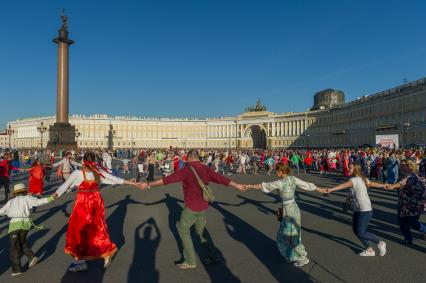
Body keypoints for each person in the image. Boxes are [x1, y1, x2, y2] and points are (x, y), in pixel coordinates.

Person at [138, 149, 246, 269]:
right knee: (200, 232)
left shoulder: (186, 170)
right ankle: (214, 255)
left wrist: (148, 184)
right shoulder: (205, 168)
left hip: (192, 207)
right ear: (198, 157)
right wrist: (237, 185)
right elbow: (221, 179)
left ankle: (190, 260)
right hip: (204, 206)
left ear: (189, 158)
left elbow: (166, 181)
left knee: (183, 230)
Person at [53, 151, 140, 272]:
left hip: (82, 205)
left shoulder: (78, 173)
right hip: (95, 204)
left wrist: (55, 195)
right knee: (98, 229)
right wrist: (130, 182)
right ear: (94, 161)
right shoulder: (98, 173)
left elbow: (65, 185)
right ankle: (104, 253)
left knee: (79, 231)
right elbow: (113, 179)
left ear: (83, 160)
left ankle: (79, 261)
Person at [245, 163, 326, 267]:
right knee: (291, 233)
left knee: (290, 234)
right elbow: (308, 185)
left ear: (282, 171)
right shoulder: (293, 179)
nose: (276, 173)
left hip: (289, 210)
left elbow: (263, 186)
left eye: (277, 171)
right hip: (294, 208)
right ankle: (294, 254)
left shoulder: (280, 183)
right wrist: (320, 189)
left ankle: (301, 257)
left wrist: (249, 186)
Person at [325, 163, 387, 256]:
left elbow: (344, 185)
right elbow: (371, 184)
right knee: (356, 230)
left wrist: (331, 189)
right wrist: (347, 201)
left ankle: (380, 243)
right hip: (357, 209)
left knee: (361, 232)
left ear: (355, 169)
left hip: (365, 209)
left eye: (350, 168)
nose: (348, 169)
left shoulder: (354, 179)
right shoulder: (362, 179)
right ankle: (369, 250)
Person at [0, 183, 57, 276]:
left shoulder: (11, 202)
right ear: (24, 191)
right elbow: (40, 201)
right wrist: (51, 198)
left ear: (15, 193)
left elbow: (1, 212)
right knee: (22, 241)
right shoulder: (28, 198)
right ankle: (31, 257)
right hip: (26, 224)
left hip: (15, 225)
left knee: (14, 247)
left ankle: (17, 269)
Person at [384, 159, 426, 244]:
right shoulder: (407, 175)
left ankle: (423, 230)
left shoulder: (410, 176)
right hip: (405, 203)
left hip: (413, 204)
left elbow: (401, 183)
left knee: (412, 222)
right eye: (401, 164)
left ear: (409, 166)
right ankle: (408, 238)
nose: (401, 166)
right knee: (403, 222)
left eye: (403, 165)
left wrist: (391, 186)